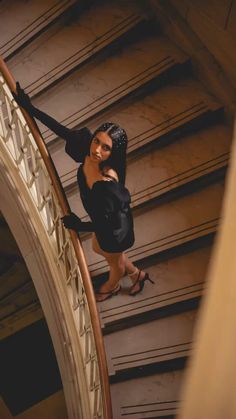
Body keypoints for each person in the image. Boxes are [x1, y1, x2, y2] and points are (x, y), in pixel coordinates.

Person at [13, 82, 153, 301]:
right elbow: (60, 129)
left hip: (116, 230)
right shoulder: (86, 146)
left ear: (113, 153)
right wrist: (29, 107)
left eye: (105, 148)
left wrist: (80, 226)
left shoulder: (108, 183)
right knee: (103, 251)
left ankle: (112, 286)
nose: (96, 150)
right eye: (97, 141)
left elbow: (108, 223)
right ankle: (138, 275)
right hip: (105, 221)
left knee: (112, 260)